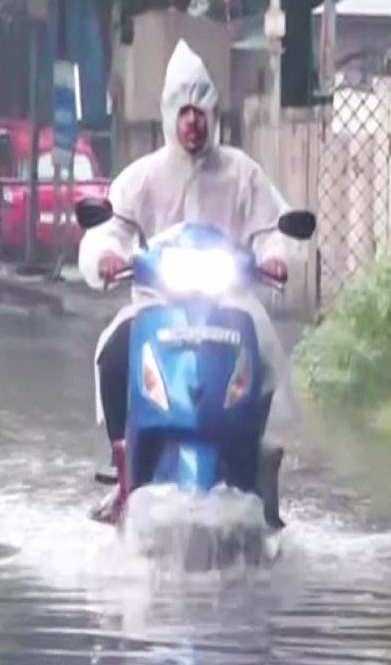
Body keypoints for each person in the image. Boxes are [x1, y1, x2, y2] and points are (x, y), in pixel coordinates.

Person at [78, 39, 303, 523]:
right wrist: (109, 255)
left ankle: (262, 472)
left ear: (212, 113)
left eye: (200, 111)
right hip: (157, 305)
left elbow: (270, 230)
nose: (192, 122)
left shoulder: (243, 174)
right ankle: (123, 476)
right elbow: (108, 229)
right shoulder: (142, 177)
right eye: (183, 112)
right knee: (114, 354)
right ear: (167, 116)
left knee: (265, 358)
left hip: (229, 305)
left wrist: (276, 257)